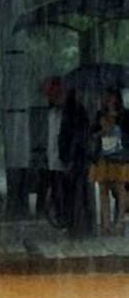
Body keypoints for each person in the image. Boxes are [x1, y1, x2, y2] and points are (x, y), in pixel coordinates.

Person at [88, 89, 129, 235]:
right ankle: (106, 222)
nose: (106, 99)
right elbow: (92, 134)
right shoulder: (100, 114)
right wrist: (102, 132)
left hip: (120, 157)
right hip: (103, 157)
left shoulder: (124, 115)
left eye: (109, 96)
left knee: (120, 187)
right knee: (103, 188)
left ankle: (120, 220)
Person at [58, 89, 92, 238]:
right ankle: (80, 225)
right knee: (79, 193)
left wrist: (70, 160)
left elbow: (74, 139)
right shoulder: (75, 111)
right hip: (78, 159)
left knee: (73, 194)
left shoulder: (73, 112)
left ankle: (75, 225)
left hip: (75, 160)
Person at [41, 77, 68, 225]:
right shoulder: (51, 113)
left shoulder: (66, 113)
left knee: (62, 189)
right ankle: (59, 215)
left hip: (61, 158)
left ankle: (63, 216)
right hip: (53, 159)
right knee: (56, 189)